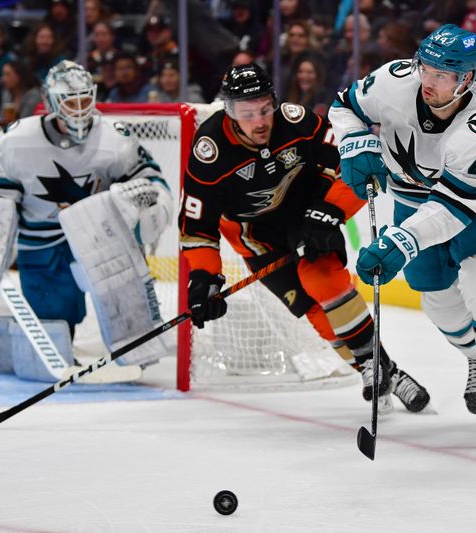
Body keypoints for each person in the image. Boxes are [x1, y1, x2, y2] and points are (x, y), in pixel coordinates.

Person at [179, 62, 430, 412]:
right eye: (247, 112)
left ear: (275, 101)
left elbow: (355, 167)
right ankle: (385, 370)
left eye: (266, 108)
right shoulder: (210, 151)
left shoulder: (296, 122)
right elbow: (197, 227)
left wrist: (332, 211)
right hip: (257, 240)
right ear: (230, 111)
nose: (260, 120)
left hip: (310, 214)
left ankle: (376, 366)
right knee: (318, 315)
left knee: (324, 281)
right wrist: (204, 277)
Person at [328, 25, 476, 450]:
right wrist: (354, 141)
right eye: (427, 69)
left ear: (467, 80)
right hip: (410, 194)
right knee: (434, 293)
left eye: (444, 75)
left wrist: (400, 240)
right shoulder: (395, 80)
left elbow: (453, 210)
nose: (430, 82)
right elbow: (343, 106)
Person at [0, 60, 173, 361]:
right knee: (53, 308)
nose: (79, 109)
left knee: (125, 294)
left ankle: (137, 350)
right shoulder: (16, 140)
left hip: (99, 235)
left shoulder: (115, 136)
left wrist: (141, 200)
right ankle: (55, 349)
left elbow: (148, 179)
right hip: (42, 239)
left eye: (84, 99)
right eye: (70, 101)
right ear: (51, 101)